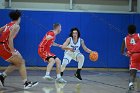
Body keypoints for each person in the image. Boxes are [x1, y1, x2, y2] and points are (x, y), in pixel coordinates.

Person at [0, 10, 38, 89]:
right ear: (19, 18)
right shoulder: (16, 26)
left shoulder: (8, 24)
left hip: (3, 45)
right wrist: (13, 51)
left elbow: (0, 30)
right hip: (5, 46)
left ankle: (2, 76)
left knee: (18, 62)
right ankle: (26, 83)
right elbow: (10, 39)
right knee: (21, 62)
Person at [121, 24, 140, 90]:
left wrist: (127, 54)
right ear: (135, 30)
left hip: (133, 56)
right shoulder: (138, 35)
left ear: (128, 31)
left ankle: (131, 84)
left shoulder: (125, 39)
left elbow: (122, 51)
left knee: (133, 72)